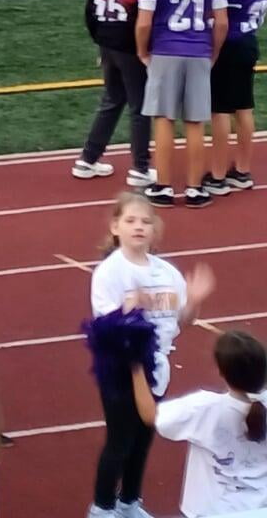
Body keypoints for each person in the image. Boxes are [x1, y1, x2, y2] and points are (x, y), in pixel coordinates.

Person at [88, 191, 215, 518]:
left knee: (144, 439)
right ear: (116, 227)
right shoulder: (109, 272)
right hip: (122, 368)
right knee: (120, 440)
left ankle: (129, 503)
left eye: (146, 221)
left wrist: (194, 302)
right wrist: (129, 311)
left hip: (158, 366)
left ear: (155, 229)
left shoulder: (168, 273)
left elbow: (182, 322)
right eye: (130, 221)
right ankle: (102, 508)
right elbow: (103, 328)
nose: (139, 227)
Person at [139, 0, 230, 207]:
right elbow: (222, 23)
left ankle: (164, 187)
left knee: (164, 119)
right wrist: (213, 51)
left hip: (165, 50)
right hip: (198, 50)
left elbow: (144, 23)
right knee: (195, 122)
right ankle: (194, 188)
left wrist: (143, 51)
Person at [137, 330, 267, 518]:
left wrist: (135, 369)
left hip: (211, 511)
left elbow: (150, 415)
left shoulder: (204, 408)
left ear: (221, 372)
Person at [75, 0, 159, 184]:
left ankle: (88, 158)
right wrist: (145, 49)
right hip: (130, 48)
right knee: (139, 106)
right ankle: (141, 167)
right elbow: (142, 18)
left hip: (107, 43)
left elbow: (90, 11)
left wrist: (99, 41)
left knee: (111, 101)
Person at [209, 0, 262, 193]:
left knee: (220, 110)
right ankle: (241, 170)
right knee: (244, 108)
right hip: (248, 43)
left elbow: (217, 16)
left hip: (229, 46)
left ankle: (217, 175)